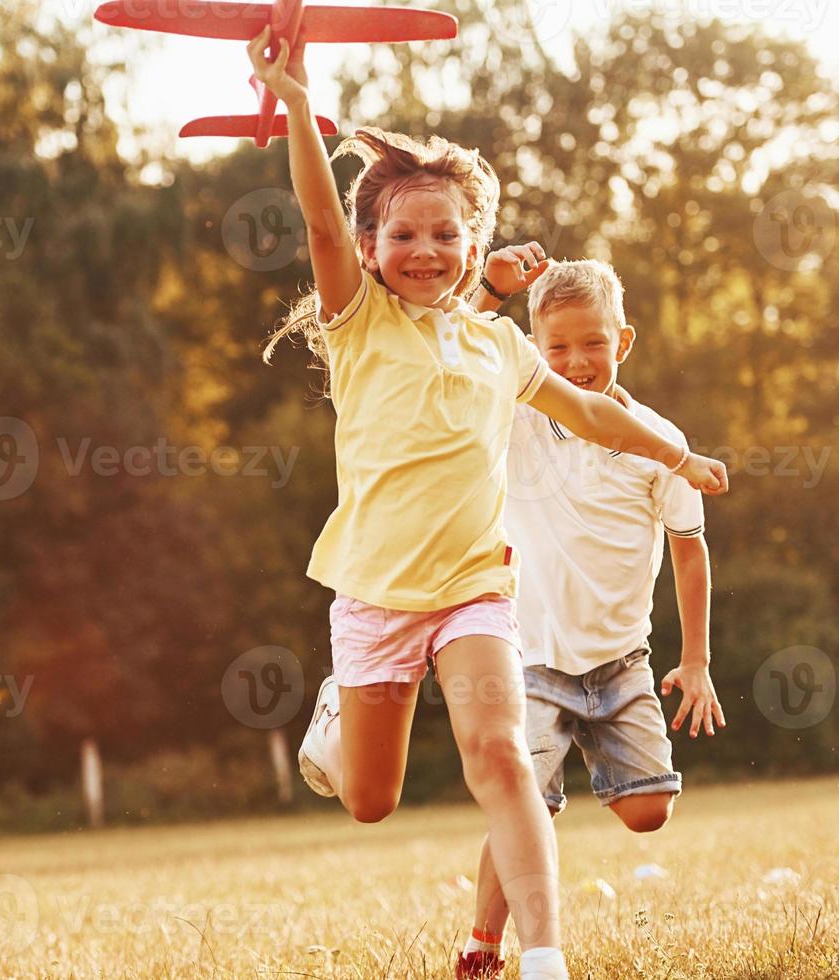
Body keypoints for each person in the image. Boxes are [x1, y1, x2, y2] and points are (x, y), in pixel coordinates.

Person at [247, 30, 728, 980]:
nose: (424, 249)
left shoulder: (500, 348)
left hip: (475, 589)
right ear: (376, 249)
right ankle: (336, 722)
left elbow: (590, 410)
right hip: (377, 596)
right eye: (403, 234)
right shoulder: (360, 322)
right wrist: (299, 106)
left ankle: (540, 955)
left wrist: (678, 450)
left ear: (473, 246)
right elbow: (318, 227)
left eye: (444, 234)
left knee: (502, 754)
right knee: (371, 799)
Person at [454, 255, 725, 978]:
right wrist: (490, 289)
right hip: (528, 659)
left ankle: (571, 787)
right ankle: (481, 947)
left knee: (648, 813)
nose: (576, 362)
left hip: (619, 663)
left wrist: (695, 659)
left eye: (593, 344)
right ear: (536, 350)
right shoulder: (513, 417)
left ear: (624, 341)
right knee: (523, 805)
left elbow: (690, 553)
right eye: (558, 347)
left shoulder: (659, 441)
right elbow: (452, 344)